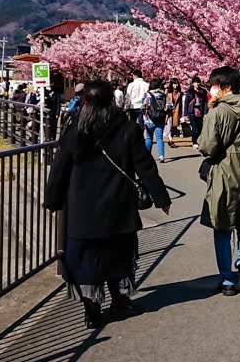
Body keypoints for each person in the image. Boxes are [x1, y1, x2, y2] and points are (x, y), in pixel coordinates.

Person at [43, 80, 172, 328]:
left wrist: (52, 199)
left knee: (86, 259)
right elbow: (145, 166)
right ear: (112, 100)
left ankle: (91, 310)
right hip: (118, 205)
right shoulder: (126, 128)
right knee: (120, 255)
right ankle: (120, 302)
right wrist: (161, 197)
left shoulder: (76, 128)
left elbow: (59, 167)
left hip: (82, 207)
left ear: (85, 101)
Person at [198, 66, 240, 296]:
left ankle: (227, 280)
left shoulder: (218, 113)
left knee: (222, 224)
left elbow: (208, 147)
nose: (211, 89)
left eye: (214, 86)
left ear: (225, 88)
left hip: (223, 172)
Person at [143, 78, 169, 163]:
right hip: (160, 118)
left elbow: (143, 105)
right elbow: (170, 105)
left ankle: (147, 156)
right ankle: (161, 156)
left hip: (149, 119)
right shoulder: (163, 94)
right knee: (159, 138)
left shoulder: (148, 94)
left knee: (149, 138)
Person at [184, 76, 208, 149]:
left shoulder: (203, 92)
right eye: (195, 82)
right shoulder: (189, 92)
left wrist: (205, 113)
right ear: (192, 83)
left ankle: (194, 139)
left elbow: (205, 103)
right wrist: (185, 114)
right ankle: (194, 142)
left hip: (200, 111)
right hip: (192, 111)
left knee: (200, 128)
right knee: (194, 127)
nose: (197, 84)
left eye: (198, 82)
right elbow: (186, 103)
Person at [166, 79, 183, 146]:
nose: (176, 85)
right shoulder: (168, 92)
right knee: (169, 124)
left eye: (176, 83)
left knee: (174, 125)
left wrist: (180, 113)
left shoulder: (179, 93)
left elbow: (180, 104)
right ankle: (170, 140)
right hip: (168, 111)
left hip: (176, 110)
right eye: (174, 84)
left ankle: (171, 137)